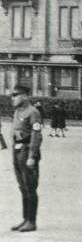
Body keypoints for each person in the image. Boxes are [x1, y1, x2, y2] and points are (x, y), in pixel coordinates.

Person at [9, 85, 43, 232]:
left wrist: (32, 156)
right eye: (12, 96)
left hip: (26, 151)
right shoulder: (18, 111)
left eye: (16, 95)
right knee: (22, 186)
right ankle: (25, 218)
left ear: (24, 96)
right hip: (17, 151)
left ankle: (32, 221)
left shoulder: (33, 112)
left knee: (30, 186)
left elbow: (36, 136)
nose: (13, 98)